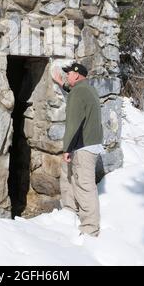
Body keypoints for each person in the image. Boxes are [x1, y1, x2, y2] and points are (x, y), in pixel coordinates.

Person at [53, 62, 103, 237]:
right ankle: (69, 210)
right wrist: (62, 84)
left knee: (84, 185)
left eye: (68, 74)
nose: (66, 76)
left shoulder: (78, 93)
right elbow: (76, 95)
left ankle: (90, 228)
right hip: (90, 144)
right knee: (70, 177)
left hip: (83, 145)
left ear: (76, 75)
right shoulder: (87, 90)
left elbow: (73, 123)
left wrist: (67, 148)